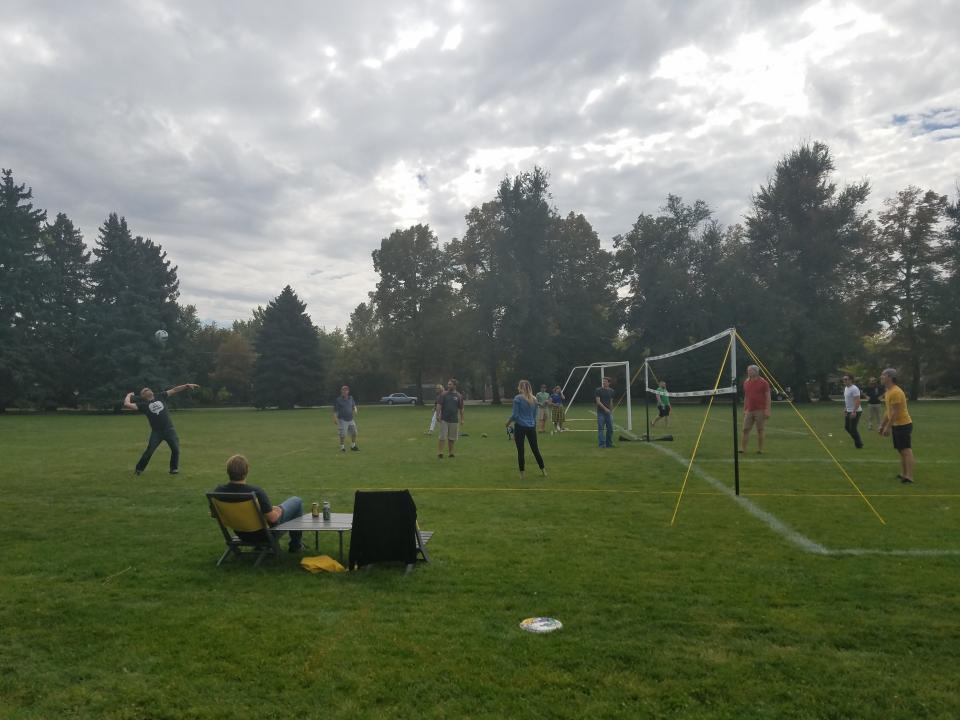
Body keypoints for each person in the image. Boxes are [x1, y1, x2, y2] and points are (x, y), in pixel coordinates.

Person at [212, 454, 304, 552]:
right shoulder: (255, 491)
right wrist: (278, 510)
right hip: (264, 534)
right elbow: (272, 518)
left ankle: (263, 547)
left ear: (228, 471)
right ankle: (295, 546)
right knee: (296, 501)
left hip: (242, 534)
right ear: (247, 470)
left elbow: (215, 514)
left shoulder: (218, 492)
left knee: (274, 510)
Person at [124, 382, 199, 475]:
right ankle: (139, 469)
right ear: (143, 395)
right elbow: (127, 404)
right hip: (157, 432)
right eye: (145, 390)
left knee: (175, 449)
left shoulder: (160, 396)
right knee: (149, 451)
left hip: (169, 429)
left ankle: (174, 469)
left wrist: (186, 386)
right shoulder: (143, 404)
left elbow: (174, 390)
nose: (148, 390)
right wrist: (128, 395)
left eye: (148, 389)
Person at [878, 368, 914, 484]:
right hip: (897, 425)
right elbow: (888, 411)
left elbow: (895, 412)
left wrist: (888, 427)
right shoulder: (888, 391)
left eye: (883, 375)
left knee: (906, 450)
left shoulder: (896, 392)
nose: (881, 377)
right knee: (901, 450)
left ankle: (909, 476)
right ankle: (903, 474)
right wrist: (882, 425)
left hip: (903, 424)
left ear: (889, 377)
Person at [506, 380, 546, 480]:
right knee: (535, 450)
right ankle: (543, 470)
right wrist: (533, 425)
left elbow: (515, 415)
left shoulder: (517, 398)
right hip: (531, 427)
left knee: (521, 451)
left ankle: (522, 474)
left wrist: (508, 422)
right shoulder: (535, 399)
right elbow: (534, 416)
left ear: (520, 387)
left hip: (520, 426)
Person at [739, 365, 771, 454]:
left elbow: (768, 396)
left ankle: (760, 449)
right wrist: (745, 408)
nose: (748, 372)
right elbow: (746, 396)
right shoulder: (746, 382)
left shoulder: (764, 382)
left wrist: (767, 410)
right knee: (745, 429)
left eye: (750, 370)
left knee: (760, 429)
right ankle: (743, 448)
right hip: (749, 410)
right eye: (748, 370)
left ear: (756, 371)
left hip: (760, 409)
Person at [437, 378, 464, 458]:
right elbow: (439, 405)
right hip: (444, 419)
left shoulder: (459, 396)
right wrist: (438, 415)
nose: (448, 386)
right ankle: (440, 452)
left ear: (454, 386)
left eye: (450, 384)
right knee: (442, 436)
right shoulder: (443, 395)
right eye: (448, 384)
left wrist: (462, 419)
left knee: (452, 438)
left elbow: (461, 408)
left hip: (454, 420)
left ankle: (451, 453)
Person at [333, 384, 359, 452]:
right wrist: (335, 418)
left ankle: (353, 446)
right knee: (343, 434)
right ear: (341, 391)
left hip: (351, 419)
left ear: (348, 391)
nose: (344, 391)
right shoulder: (338, 400)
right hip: (342, 419)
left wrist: (355, 409)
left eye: (346, 390)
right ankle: (342, 447)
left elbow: (353, 405)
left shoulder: (351, 398)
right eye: (343, 390)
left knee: (354, 433)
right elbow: (336, 410)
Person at [841, 373, 864, 449]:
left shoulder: (854, 388)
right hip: (848, 410)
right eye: (843, 379)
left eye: (846, 379)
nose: (844, 380)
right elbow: (847, 400)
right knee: (847, 427)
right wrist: (845, 408)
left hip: (856, 411)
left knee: (853, 429)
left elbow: (857, 401)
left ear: (851, 380)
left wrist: (854, 411)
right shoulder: (846, 388)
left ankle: (859, 444)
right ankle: (858, 441)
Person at [595, 376, 615, 448]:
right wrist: (605, 409)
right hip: (601, 413)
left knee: (610, 429)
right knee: (601, 428)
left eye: (605, 381)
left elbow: (611, 402)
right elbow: (598, 402)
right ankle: (601, 444)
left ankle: (609, 444)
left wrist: (611, 411)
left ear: (609, 383)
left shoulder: (612, 391)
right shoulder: (598, 390)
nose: (603, 382)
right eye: (603, 381)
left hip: (608, 413)